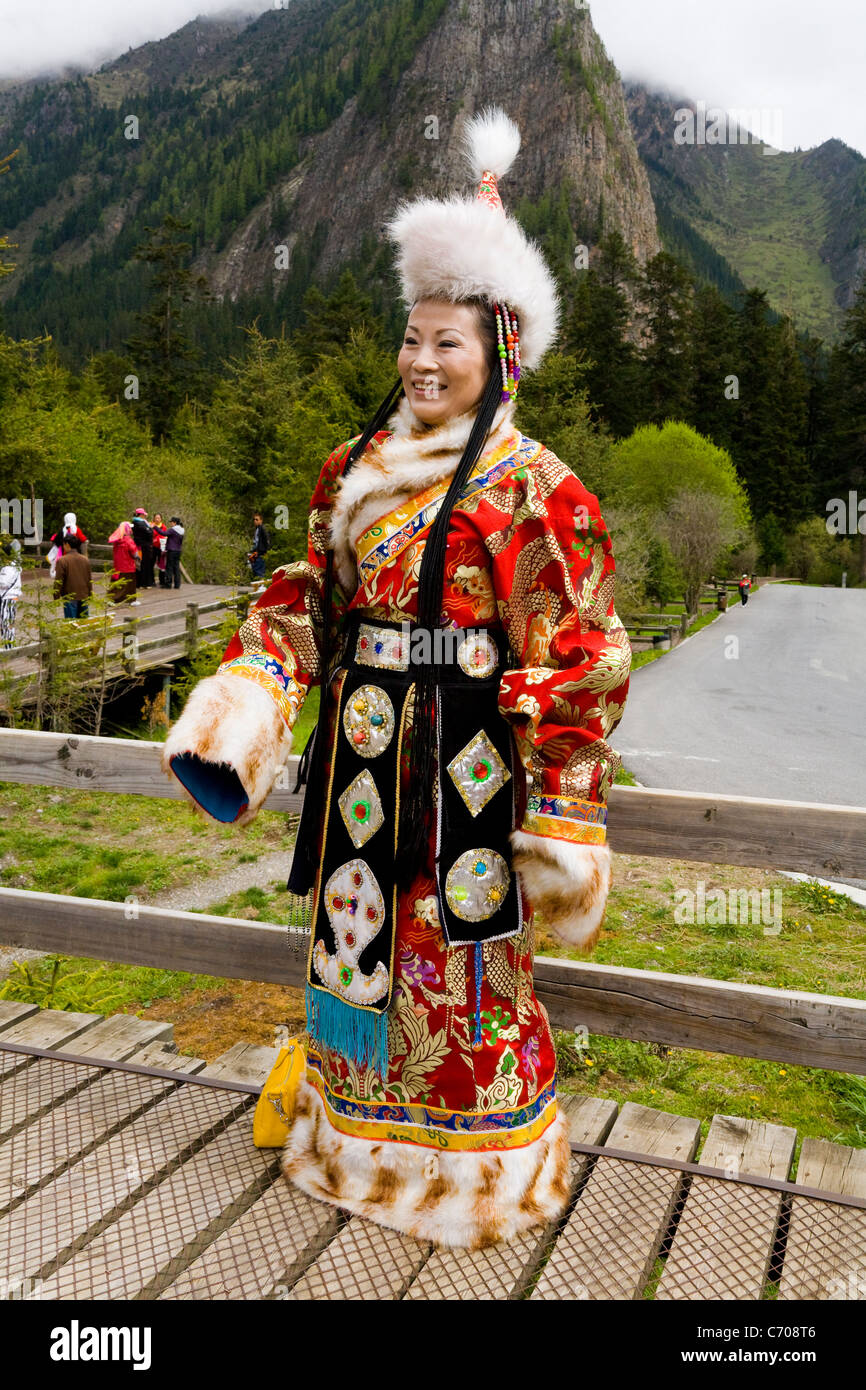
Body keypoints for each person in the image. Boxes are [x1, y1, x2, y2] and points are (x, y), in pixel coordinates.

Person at [160, 108, 631, 1250]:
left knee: (460, 966)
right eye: (411, 338)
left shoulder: (538, 492)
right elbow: (304, 607)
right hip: (361, 759)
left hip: (466, 769)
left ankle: (476, 1179)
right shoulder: (348, 474)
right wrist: (247, 701)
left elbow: (579, 655)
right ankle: (350, 1144)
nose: (421, 362)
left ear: (498, 353)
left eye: (448, 343)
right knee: (355, 952)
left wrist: (562, 815)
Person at [53, 535, 92, 618]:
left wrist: (56, 596)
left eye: (63, 544)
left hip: (69, 596)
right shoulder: (85, 560)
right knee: (84, 623)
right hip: (84, 595)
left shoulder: (62, 560)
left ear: (67, 544)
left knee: (71, 624)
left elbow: (59, 580)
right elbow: (89, 579)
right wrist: (90, 594)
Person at [47, 512, 88, 578]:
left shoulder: (63, 529)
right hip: (75, 552)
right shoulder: (76, 529)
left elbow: (57, 540)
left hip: (64, 552)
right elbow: (83, 539)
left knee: (65, 565)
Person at [0, 533, 22, 648]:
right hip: (11, 597)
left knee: (5, 622)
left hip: (7, 598)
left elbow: (4, 582)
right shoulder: (15, 565)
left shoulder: (9, 568)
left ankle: (8, 646)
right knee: (9, 622)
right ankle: (9, 644)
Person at [108, 521, 138, 604]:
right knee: (130, 584)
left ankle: (112, 599)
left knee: (116, 584)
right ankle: (130, 600)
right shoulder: (129, 540)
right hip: (128, 566)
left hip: (118, 566)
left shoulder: (116, 540)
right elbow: (134, 553)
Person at [132, 508, 155, 589]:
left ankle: (141, 583)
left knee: (140, 564)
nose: (145, 516)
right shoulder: (139, 523)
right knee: (144, 564)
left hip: (141, 546)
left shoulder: (137, 522)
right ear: (141, 515)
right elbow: (149, 533)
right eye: (144, 515)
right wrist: (151, 528)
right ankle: (144, 583)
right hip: (143, 547)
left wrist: (149, 528)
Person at [248, 512, 270, 588]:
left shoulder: (262, 529)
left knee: (259, 572)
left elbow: (266, 541)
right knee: (255, 571)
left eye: (257, 519)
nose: (255, 521)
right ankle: (258, 587)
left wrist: (262, 552)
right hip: (256, 553)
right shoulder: (257, 529)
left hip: (260, 554)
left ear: (261, 520)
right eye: (254, 519)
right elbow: (257, 542)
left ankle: (261, 587)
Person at [164, 518, 184, 589]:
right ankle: (177, 584)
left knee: (169, 567)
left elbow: (164, 533)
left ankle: (168, 584)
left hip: (171, 550)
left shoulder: (172, 530)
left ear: (175, 523)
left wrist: (155, 527)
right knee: (176, 567)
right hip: (178, 550)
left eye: (171, 522)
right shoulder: (182, 530)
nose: (170, 523)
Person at [152, 514, 168, 588]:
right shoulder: (151, 526)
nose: (157, 519)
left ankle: (162, 581)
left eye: (159, 518)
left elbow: (165, 536)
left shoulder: (164, 527)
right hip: (153, 547)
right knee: (151, 564)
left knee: (161, 565)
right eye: (156, 518)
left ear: (161, 519)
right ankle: (152, 580)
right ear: (154, 519)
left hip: (161, 548)